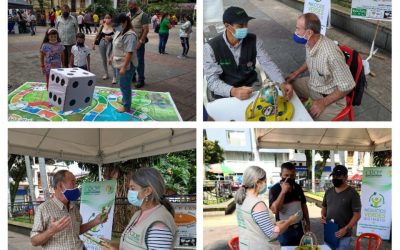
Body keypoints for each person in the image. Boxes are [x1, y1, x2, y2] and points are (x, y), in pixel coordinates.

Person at [204, 6, 289, 100]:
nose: (245, 28)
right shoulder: (210, 48)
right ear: (227, 26)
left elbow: (267, 63)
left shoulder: (254, 40)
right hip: (225, 92)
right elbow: (212, 80)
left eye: (246, 24)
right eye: (240, 25)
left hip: (251, 86)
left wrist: (282, 82)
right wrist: (233, 91)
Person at [285, 13, 355, 121]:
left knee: (307, 119)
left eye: (298, 29)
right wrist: (296, 73)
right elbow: (309, 60)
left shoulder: (331, 54)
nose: (296, 32)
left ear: (309, 33)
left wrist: (323, 102)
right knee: (285, 85)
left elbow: (348, 86)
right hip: (313, 84)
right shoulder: (310, 42)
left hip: (329, 96)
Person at [31, 170, 108, 249]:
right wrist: (51, 231)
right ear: (60, 186)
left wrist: (95, 221)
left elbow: (78, 230)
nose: (76, 186)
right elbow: (34, 241)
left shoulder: (73, 207)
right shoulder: (43, 209)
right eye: (73, 182)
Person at [103, 168, 177, 249]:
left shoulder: (159, 224)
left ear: (147, 191)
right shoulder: (138, 214)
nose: (129, 192)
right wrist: (113, 245)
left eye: (133, 188)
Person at [235, 166, 301, 250]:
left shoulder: (241, 199)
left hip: (246, 245)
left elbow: (255, 224)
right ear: (258, 182)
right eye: (264, 181)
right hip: (260, 246)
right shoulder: (257, 204)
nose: (265, 184)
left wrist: (275, 224)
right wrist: (289, 221)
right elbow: (273, 233)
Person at [269, 162, 310, 246]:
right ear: (281, 175)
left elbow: (303, 205)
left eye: (292, 175)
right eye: (286, 175)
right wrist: (283, 192)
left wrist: (307, 222)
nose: (289, 178)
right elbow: (275, 210)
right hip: (284, 230)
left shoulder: (298, 187)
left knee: (301, 247)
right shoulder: (275, 189)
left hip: (299, 228)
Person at [321, 165, 361, 250]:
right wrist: (323, 216)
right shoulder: (328, 191)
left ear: (346, 177)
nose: (335, 178)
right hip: (329, 232)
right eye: (334, 176)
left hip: (344, 235)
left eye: (339, 176)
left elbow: (357, 215)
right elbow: (324, 207)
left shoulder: (353, 194)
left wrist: (346, 229)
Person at [110, 13, 138, 113]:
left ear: (125, 23)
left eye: (117, 24)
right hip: (119, 62)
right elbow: (116, 46)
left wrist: (124, 67)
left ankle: (126, 106)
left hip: (127, 65)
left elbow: (129, 53)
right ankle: (124, 100)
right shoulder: (119, 32)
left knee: (125, 85)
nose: (116, 27)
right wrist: (111, 56)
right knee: (122, 84)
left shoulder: (130, 35)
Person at [127, 0, 150, 88]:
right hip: (129, 42)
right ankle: (133, 76)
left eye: (131, 6)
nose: (130, 8)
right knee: (130, 60)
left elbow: (146, 30)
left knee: (139, 61)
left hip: (138, 42)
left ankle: (141, 79)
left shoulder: (143, 15)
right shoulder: (128, 14)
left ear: (135, 5)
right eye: (129, 6)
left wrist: (140, 41)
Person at [93, 13, 116, 84]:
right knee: (103, 59)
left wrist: (111, 37)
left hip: (110, 43)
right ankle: (106, 74)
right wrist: (93, 43)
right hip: (102, 42)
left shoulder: (114, 26)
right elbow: (97, 34)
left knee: (110, 58)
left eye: (109, 17)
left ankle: (115, 76)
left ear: (111, 18)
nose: (107, 19)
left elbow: (117, 35)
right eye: (106, 17)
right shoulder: (102, 26)